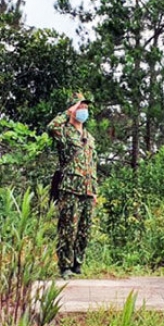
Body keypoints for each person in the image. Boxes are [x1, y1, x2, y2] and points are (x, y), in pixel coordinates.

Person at [47, 93, 98, 279]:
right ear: (72, 110)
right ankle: (65, 266)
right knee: (67, 228)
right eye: (80, 107)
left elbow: (93, 164)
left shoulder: (89, 137)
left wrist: (95, 192)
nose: (84, 110)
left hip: (87, 188)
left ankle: (78, 263)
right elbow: (51, 127)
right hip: (69, 187)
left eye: (85, 107)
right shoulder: (64, 131)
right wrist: (66, 113)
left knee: (85, 229)